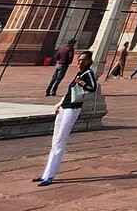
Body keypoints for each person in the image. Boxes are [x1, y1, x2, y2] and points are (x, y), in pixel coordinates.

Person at [33, 50, 97, 187]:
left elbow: (93, 88)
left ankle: (50, 176)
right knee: (55, 141)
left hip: (72, 109)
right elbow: (70, 92)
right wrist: (59, 104)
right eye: (79, 59)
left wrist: (82, 83)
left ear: (89, 61)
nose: (80, 62)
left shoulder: (88, 73)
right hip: (64, 108)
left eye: (83, 60)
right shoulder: (79, 73)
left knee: (60, 141)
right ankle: (46, 174)